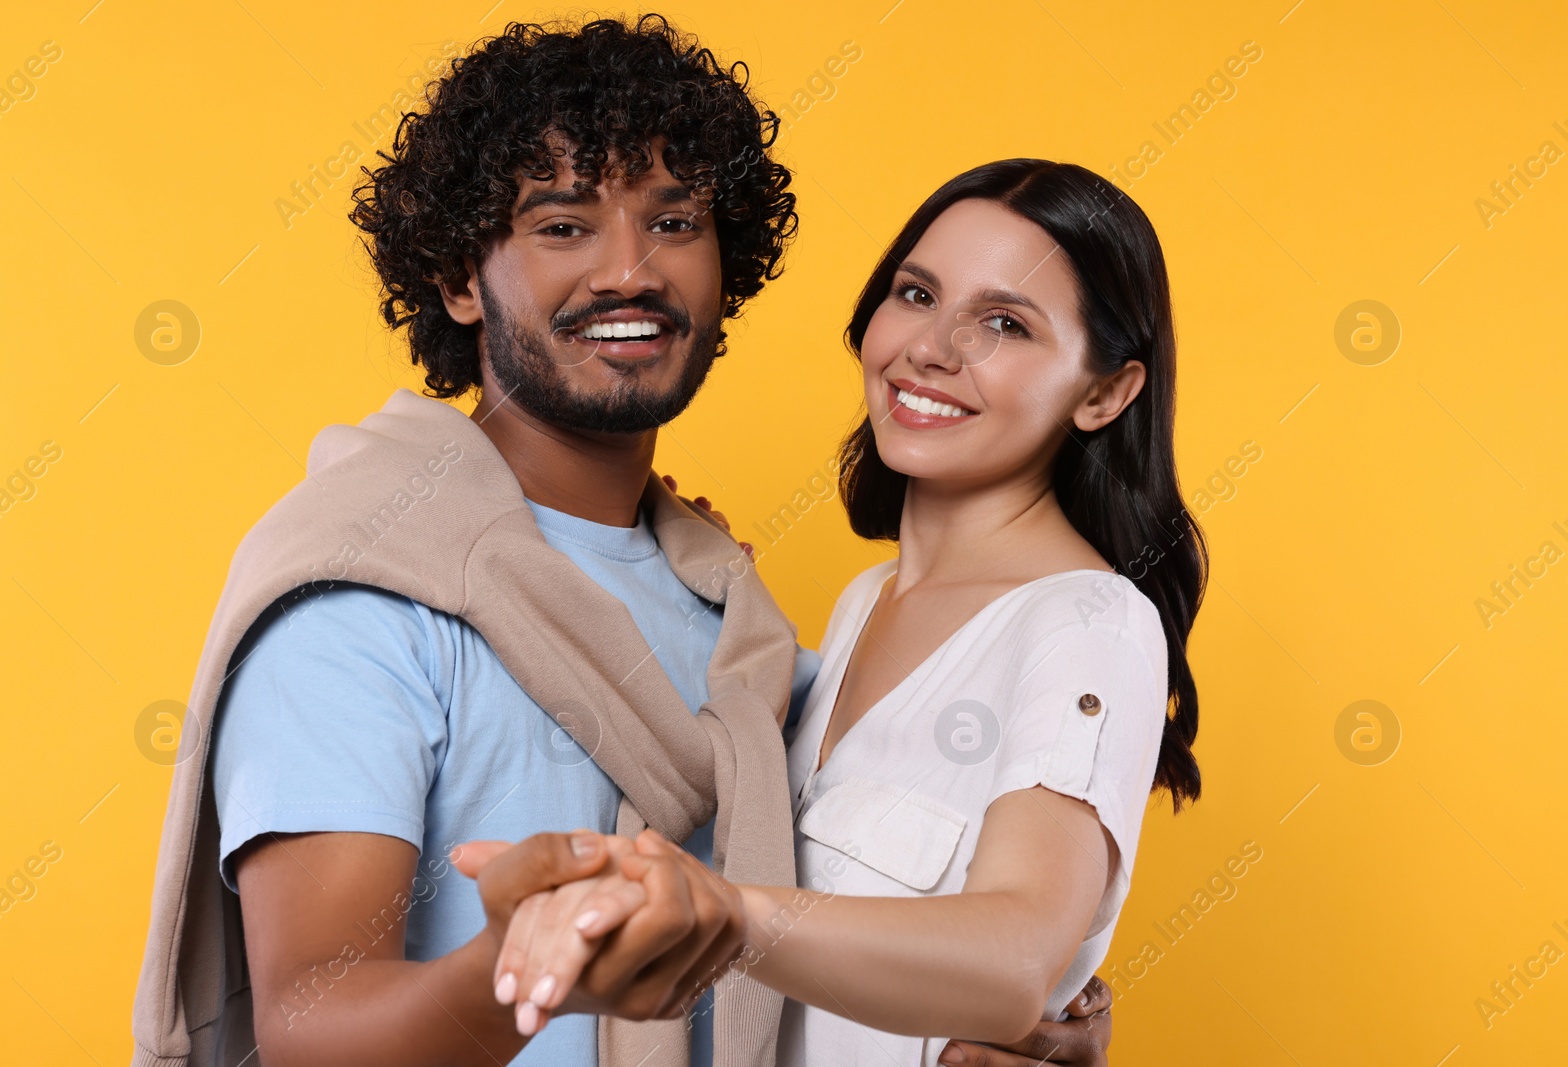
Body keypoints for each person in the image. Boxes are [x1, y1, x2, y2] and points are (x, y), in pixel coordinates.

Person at [128, 14, 1114, 1067]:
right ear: (463, 278)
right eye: (563, 225)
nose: (629, 270)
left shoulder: (740, 628)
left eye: (676, 221)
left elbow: (841, 924)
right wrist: (524, 967)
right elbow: (308, 1030)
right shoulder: (366, 594)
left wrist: (995, 1028)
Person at [481, 159, 1208, 1067]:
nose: (932, 348)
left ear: (1105, 391)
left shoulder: (1088, 624)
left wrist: (726, 911)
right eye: (916, 293)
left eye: (1006, 324)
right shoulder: (865, 603)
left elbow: (1018, 958)